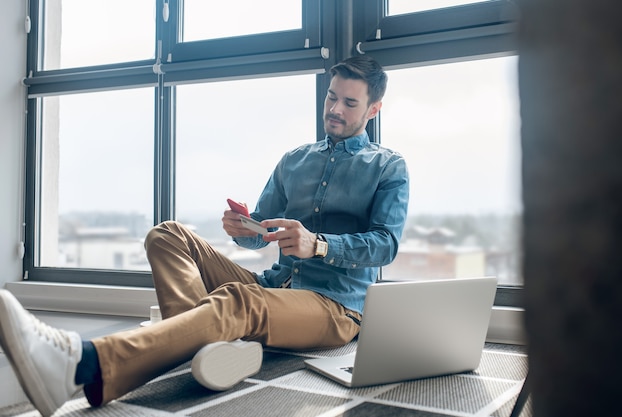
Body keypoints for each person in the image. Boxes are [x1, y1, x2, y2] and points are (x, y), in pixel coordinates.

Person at [0, 55, 409, 417]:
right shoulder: (294, 160)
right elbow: (261, 232)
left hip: (335, 306)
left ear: (373, 108)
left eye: (349, 103)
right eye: (331, 97)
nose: (335, 109)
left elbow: (385, 245)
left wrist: (318, 244)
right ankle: (202, 347)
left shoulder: (389, 167)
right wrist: (244, 229)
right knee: (168, 234)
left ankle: (82, 365)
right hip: (273, 285)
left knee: (238, 302)